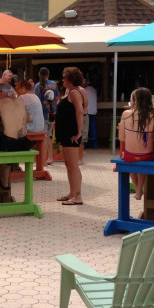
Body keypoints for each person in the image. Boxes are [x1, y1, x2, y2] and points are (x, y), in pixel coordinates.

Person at [118, 88, 154, 200]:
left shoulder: (126, 114)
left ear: (135, 100)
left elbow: (121, 138)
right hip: (147, 156)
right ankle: (139, 190)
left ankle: (138, 190)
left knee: (131, 161)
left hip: (130, 155)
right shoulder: (152, 115)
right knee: (140, 162)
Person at [55, 67, 85, 206]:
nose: (62, 80)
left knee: (73, 165)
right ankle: (72, 192)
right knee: (68, 164)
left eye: (64, 77)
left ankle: (78, 196)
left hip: (71, 132)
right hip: (65, 132)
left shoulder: (75, 92)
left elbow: (80, 112)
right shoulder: (70, 92)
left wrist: (79, 132)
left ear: (70, 79)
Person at [34, 67, 58, 165]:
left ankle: (42, 160)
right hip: (52, 113)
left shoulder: (38, 86)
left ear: (39, 75)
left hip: (42, 114)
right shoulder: (53, 84)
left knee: (43, 137)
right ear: (48, 75)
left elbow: (36, 101)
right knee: (49, 136)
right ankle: (50, 157)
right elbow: (56, 98)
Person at [83, 78, 98, 149]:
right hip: (94, 113)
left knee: (83, 128)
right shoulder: (94, 90)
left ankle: (83, 144)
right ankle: (95, 145)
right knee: (91, 128)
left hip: (87, 113)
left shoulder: (84, 91)